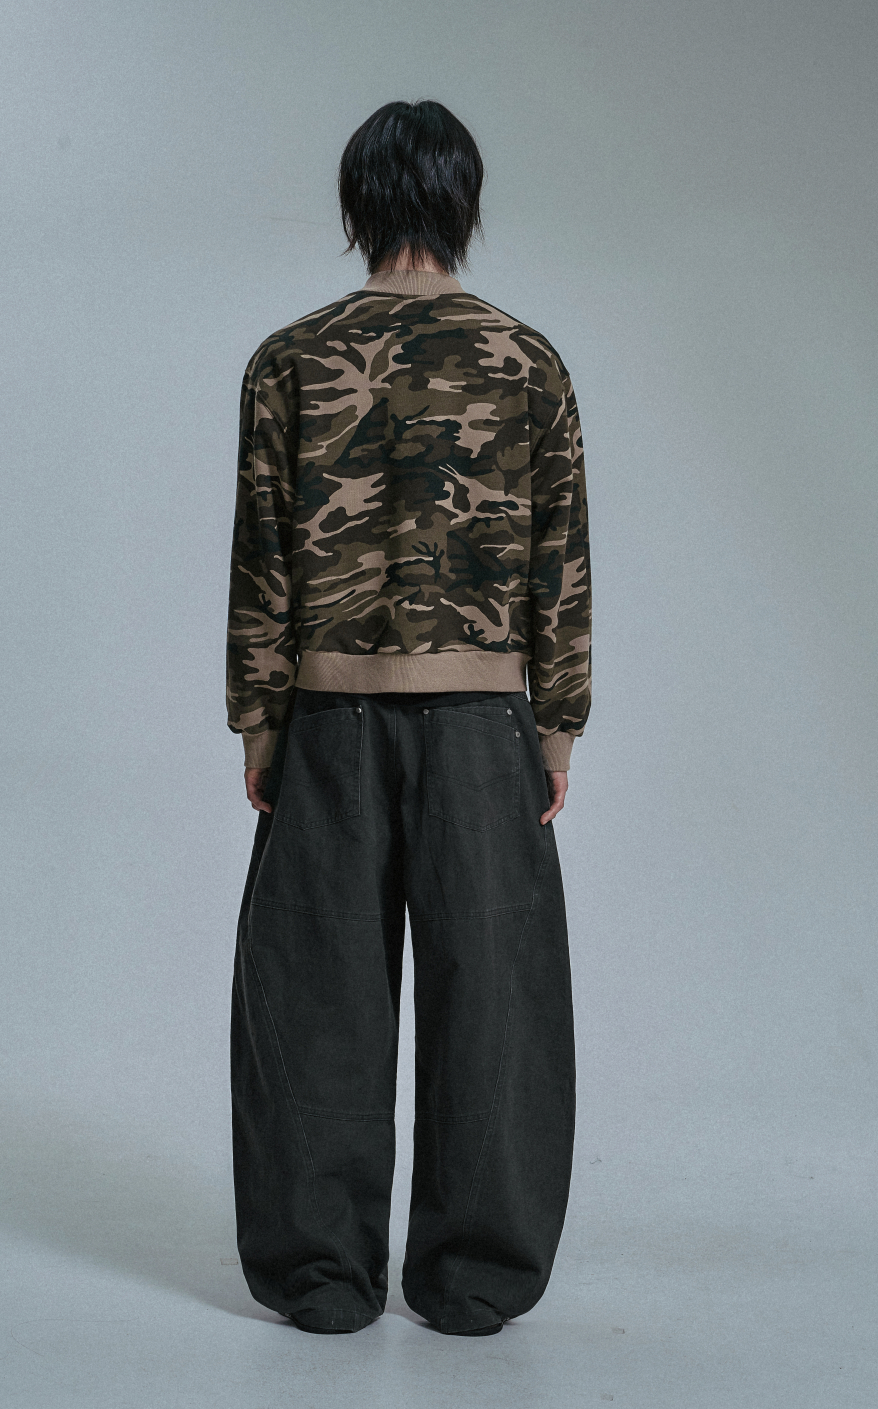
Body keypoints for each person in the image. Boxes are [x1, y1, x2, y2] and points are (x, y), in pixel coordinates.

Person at [226, 99, 591, 1337]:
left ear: (361, 202)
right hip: (485, 727)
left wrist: (260, 725)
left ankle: (320, 1275)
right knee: (495, 1002)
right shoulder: (527, 360)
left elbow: (263, 558)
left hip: (328, 720)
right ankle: (476, 1274)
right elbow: (561, 562)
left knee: (314, 996)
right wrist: (556, 729)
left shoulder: (288, 358)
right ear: (461, 200)